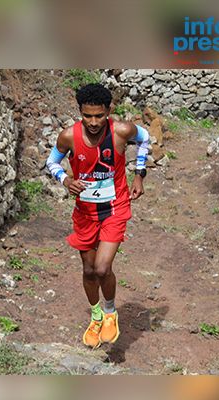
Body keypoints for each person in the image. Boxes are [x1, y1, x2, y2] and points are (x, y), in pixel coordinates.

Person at [45, 83, 149, 349]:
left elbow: (145, 138)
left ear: (108, 111)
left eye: (99, 116)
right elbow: (51, 162)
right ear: (80, 112)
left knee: (103, 267)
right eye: (87, 115)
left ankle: (111, 312)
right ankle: (96, 316)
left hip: (115, 209)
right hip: (84, 212)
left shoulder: (121, 131)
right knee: (89, 270)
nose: (93, 122)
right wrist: (65, 179)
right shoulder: (68, 136)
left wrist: (139, 174)